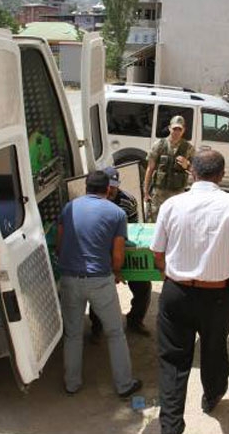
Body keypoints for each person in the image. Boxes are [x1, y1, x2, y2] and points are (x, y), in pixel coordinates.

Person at [150, 150, 229, 434]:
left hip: (176, 293)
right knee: (214, 350)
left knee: (173, 362)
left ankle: (171, 428)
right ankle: (212, 394)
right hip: (216, 297)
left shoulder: (172, 204)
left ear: (192, 173)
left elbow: (157, 252)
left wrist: (169, 273)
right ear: (222, 175)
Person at [57, 170, 142, 397]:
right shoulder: (116, 213)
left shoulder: (69, 208)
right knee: (115, 332)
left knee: (72, 334)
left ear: (85, 187)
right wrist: (116, 272)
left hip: (69, 279)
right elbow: (117, 255)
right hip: (99, 280)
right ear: (107, 189)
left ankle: (71, 383)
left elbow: (60, 243)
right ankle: (124, 385)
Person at [89, 166, 153, 339]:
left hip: (123, 248)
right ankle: (97, 326)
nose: (111, 190)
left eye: (114, 186)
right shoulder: (92, 202)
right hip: (100, 252)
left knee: (143, 286)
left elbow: (132, 230)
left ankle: (135, 321)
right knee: (98, 289)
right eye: (108, 186)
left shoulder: (128, 202)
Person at [143, 115, 195, 223]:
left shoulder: (188, 148)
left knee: (176, 221)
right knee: (154, 221)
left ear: (183, 130)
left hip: (178, 193)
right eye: (174, 128)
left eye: (179, 129)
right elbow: (150, 169)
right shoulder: (159, 145)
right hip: (159, 192)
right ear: (169, 128)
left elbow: (196, 171)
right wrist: (146, 191)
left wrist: (187, 165)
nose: (176, 132)